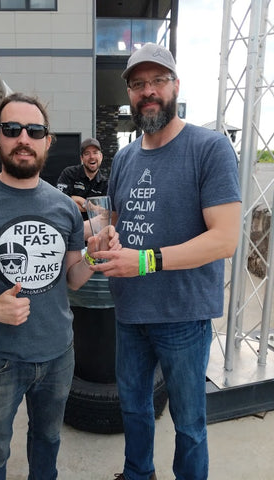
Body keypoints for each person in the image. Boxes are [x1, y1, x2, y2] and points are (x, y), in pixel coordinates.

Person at [0, 93, 119, 480]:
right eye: (12, 129)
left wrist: (92, 256)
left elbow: (72, 277)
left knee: (48, 440)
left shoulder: (64, 207)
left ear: (47, 140)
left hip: (58, 354)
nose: (23, 137)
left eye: (34, 130)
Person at [89, 43, 242, 480]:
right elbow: (118, 219)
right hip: (130, 312)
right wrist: (103, 233)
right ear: (131, 95)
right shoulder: (126, 156)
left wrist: (147, 261)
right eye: (138, 84)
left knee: (189, 424)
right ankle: (139, 474)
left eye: (158, 81)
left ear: (176, 86)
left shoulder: (209, 148)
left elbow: (225, 239)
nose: (148, 91)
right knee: (134, 409)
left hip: (183, 314)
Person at [56, 137, 108, 219]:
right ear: (82, 158)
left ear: (101, 156)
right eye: (87, 153)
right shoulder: (69, 173)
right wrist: (89, 205)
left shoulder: (105, 183)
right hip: (69, 226)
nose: (92, 157)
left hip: (93, 229)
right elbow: (60, 200)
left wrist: (74, 198)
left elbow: (104, 212)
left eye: (95, 153)